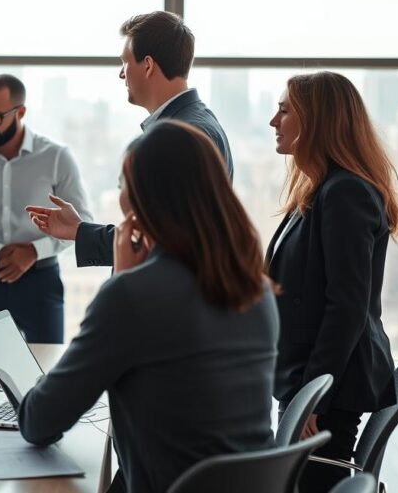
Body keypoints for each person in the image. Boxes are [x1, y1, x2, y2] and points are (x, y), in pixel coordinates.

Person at [18, 120, 278, 493]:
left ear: (144, 198)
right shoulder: (256, 288)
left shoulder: (132, 297)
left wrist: (122, 280)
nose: (120, 195)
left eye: (124, 184)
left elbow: (39, 421)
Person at [266, 71, 398, 493]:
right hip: (311, 378)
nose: (274, 120)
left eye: (285, 110)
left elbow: (346, 305)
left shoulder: (345, 193)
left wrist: (314, 394)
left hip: (328, 387)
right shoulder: (320, 189)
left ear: (317, 120)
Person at [26, 11, 232, 268]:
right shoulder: (188, 125)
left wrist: (81, 232)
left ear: (147, 65)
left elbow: (163, 242)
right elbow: (158, 233)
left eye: (125, 62)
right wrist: (79, 230)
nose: (121, 74)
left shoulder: (184, 135)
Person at [0, 74, 91, 344]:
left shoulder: (56, 157)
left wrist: (32, 252)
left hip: (41, 281)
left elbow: (82, 221)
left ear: (21, 112)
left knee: (46, 366)